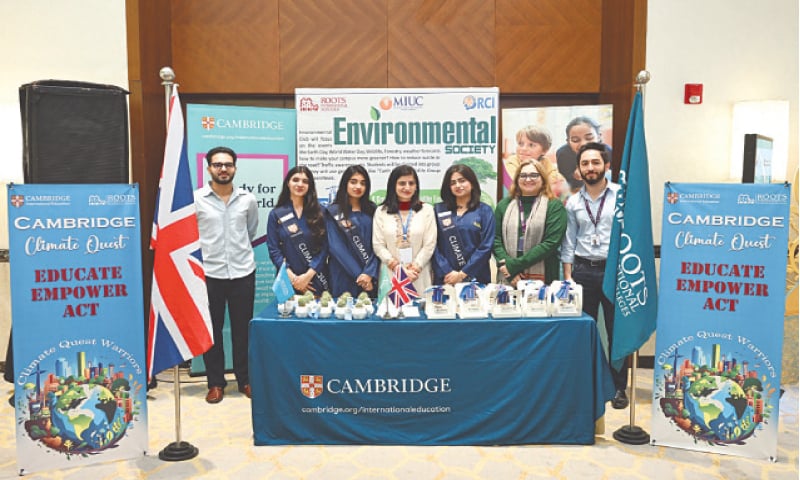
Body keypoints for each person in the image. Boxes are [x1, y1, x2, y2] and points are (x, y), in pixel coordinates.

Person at [560, 142, 629, 409]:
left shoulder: (621, 196)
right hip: (582, 271)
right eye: (585, 163)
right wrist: (568, 278)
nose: (590, 168)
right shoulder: (573, 202)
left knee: (616, 332)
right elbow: (569, 241)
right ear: (579, 170)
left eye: (596, 162)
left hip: (613, 271)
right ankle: (587, 382)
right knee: (583, 330)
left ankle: (618, 386)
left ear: (607, 166)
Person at [194, 146, 258, 404]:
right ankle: (216, 383)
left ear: (235, 168)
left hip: (243, 272)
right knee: (213, 332)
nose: (223, 169)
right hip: (209, 273)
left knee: (243, 330)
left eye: (228, 164)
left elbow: (250, 231)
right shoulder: (196, 199)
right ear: (209, 167)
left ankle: (245, 379)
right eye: (218, 164)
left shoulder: (247, 199)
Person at [493, 160, 567, 285]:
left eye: (534, 175)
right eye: (523, 175)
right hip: (508, 276)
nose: (528, 179)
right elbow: (495, 239)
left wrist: (513, 266)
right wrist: (509, 271)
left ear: (543, 179)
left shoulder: (554, 205)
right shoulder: (504, 205)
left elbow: (551, 243)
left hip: (544, 276)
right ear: (517, 179)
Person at [372, 164, 437, 293]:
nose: (407, 187)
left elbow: (430, 244)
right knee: (392, 311)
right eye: (402, 183)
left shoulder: (427, 210)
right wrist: (399, 270)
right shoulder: (381, 211)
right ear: (393, 186)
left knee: (418, 311)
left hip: (417, 275)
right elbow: (378, 245)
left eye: (411, 183)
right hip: (391, 275)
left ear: (416, 186)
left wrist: (414, 269)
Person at [267, 165, 330, 296]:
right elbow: (274, 250)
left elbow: (325, 248)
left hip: (315, 279)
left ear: (310, 186)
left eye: (305, 181)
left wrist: (308, 276)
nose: (300, 184)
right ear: (288, 183)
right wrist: (293, 278)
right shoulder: (276, 214)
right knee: (287, 315)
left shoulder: (321, 213)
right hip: (287, 279)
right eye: (295, 180)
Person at [433, 164, 495, 285]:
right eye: (452, 183)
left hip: (476, 277)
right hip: (446, 278)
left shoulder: (484, 211)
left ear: (472, 183)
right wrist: (447, 271)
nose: (458, 185)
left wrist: (463, 273)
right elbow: (432, 245)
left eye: (462, 181)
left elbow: (486, 246)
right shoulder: (438, 210)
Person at [325, 165, 379, 297]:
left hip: (370, 275)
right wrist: (361, 277)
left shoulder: (373, 210)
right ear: (345, 184)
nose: (358, 187)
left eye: (363, 183)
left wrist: (369, 273)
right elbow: (336, 247)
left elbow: (378, 244)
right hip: (343, 273)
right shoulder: (333, 211)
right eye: (353, 182)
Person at [555, 116, 612, 192]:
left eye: (589, 138)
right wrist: (575, 177)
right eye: (575, 140)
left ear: (599, 137)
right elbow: (567, 183)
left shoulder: (608, 152)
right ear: (568, 142)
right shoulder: (563, 155)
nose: (583, 144)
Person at [503, 125, 555, 191]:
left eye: (531, 145)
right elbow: (514, 184)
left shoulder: (545, 162)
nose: (524, 148)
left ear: (544, 150)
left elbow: (555, 181)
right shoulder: (512, 161)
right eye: (520, 144)